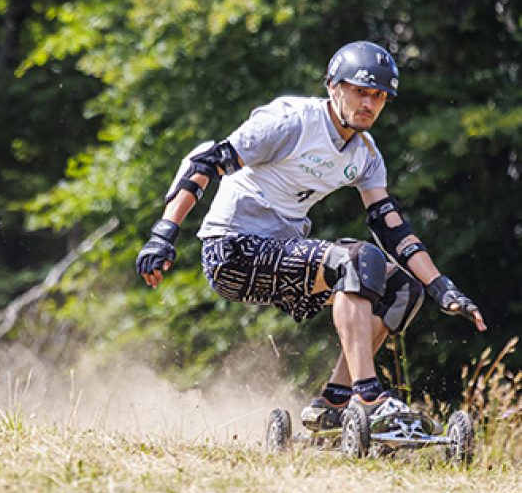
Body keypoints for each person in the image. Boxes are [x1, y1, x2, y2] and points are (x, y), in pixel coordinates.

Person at [136, 41, 487, 430]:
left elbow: (392, 227)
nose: (369, 104)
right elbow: (205, 161)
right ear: (334, 86)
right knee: (357, 260)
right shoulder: (291, 121)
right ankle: (368, 394)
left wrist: (441, 287)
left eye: (379, 97)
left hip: (282, 254)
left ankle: (333, 403)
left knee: (403, 289)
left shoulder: (366, 155)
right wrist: (163, 233)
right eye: (360, 92)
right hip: (232, 249)